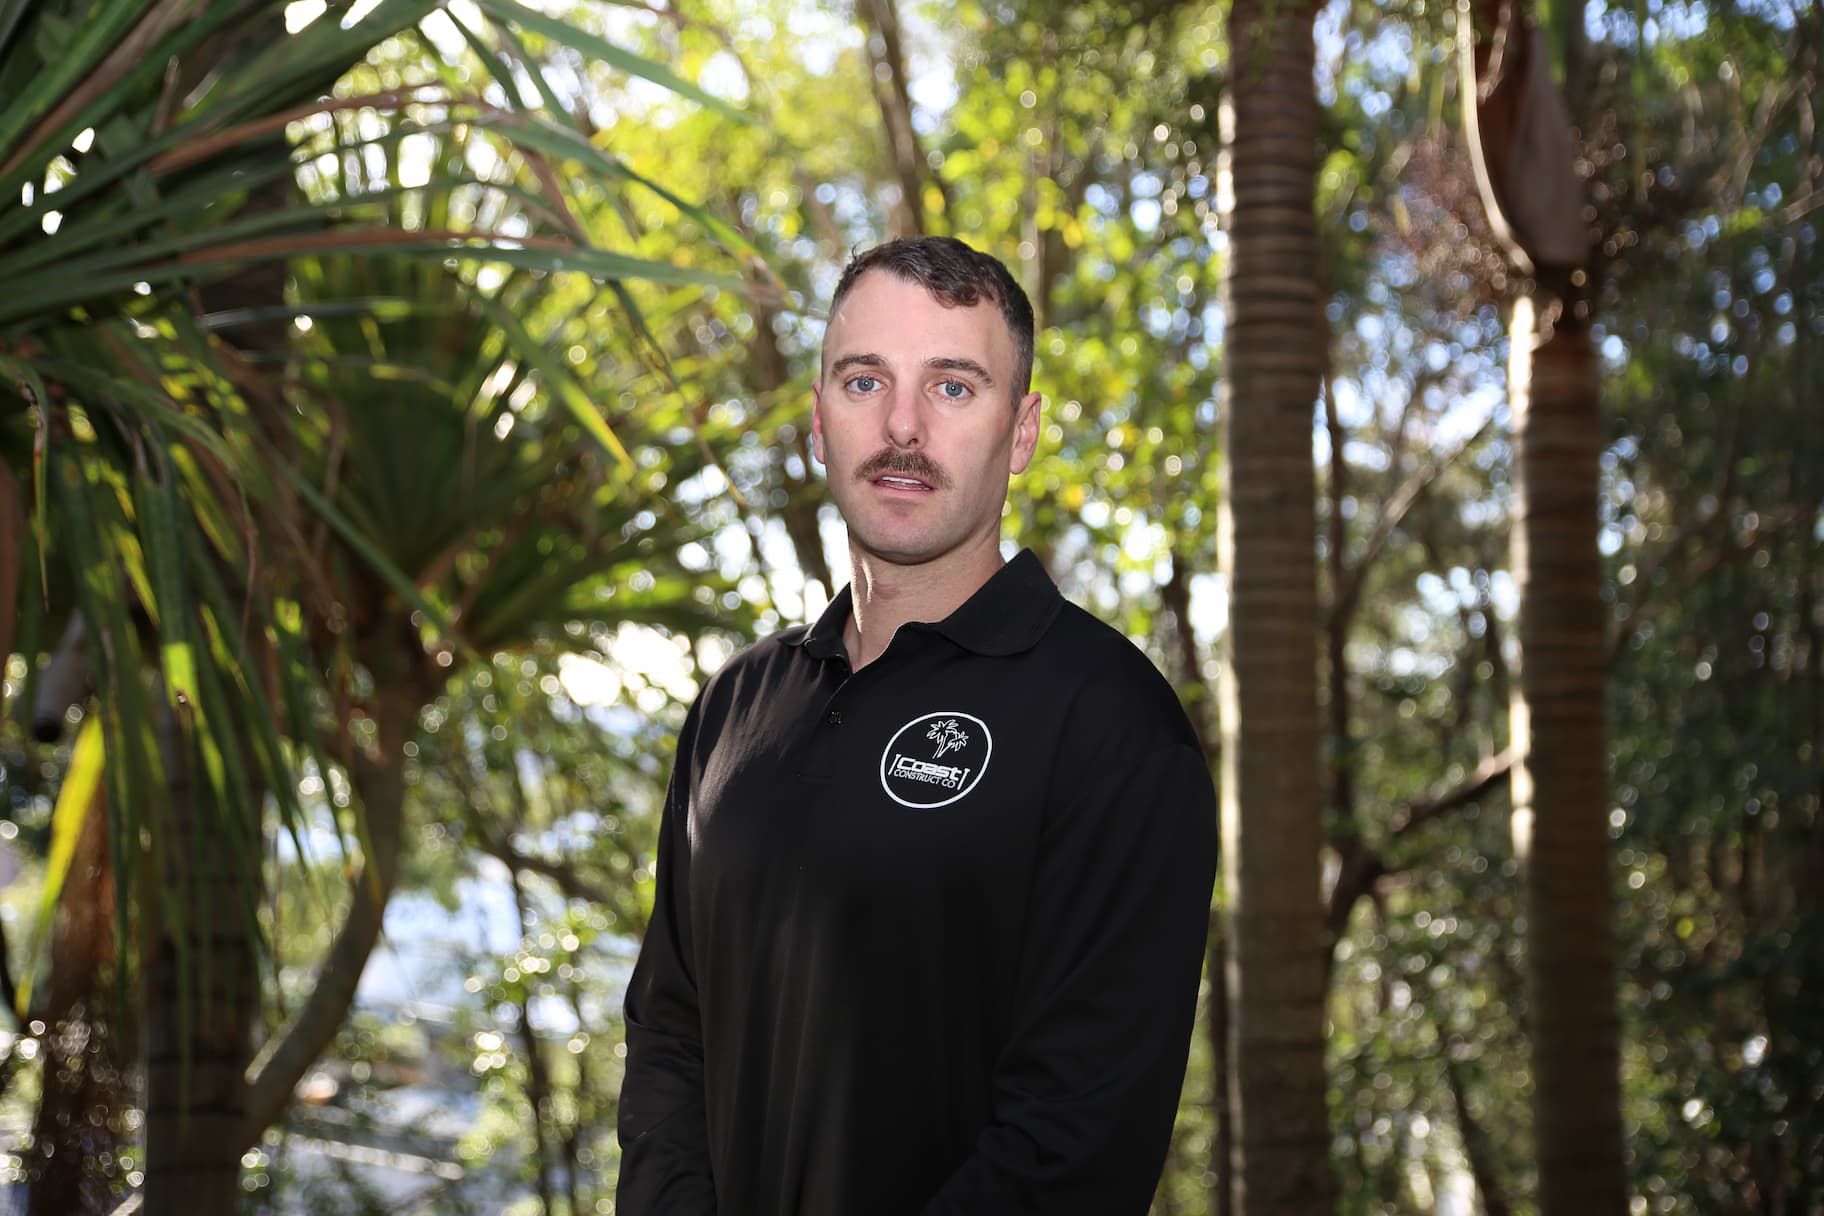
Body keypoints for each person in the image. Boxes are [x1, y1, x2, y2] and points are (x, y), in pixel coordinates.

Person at [616, 236, 1217, 1215]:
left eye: (952, 388)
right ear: (818, 420)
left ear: (1019, 433)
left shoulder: (1112, 724)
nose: (901, 426)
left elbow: (1075, 1142)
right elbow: (669, 1035)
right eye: (865, 381)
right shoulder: (733, 708)